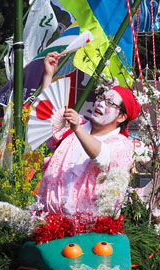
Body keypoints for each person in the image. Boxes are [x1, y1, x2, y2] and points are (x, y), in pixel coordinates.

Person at [36, 51, 138, 215]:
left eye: (110, 103)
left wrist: (77, 128)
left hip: (88, 228)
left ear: (122, 117)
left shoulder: (121, 143)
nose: (101, 104)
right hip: (50, 217)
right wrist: (48, 75)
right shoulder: (79, 123)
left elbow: (102, 158)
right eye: (102, 98)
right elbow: (46, 116)